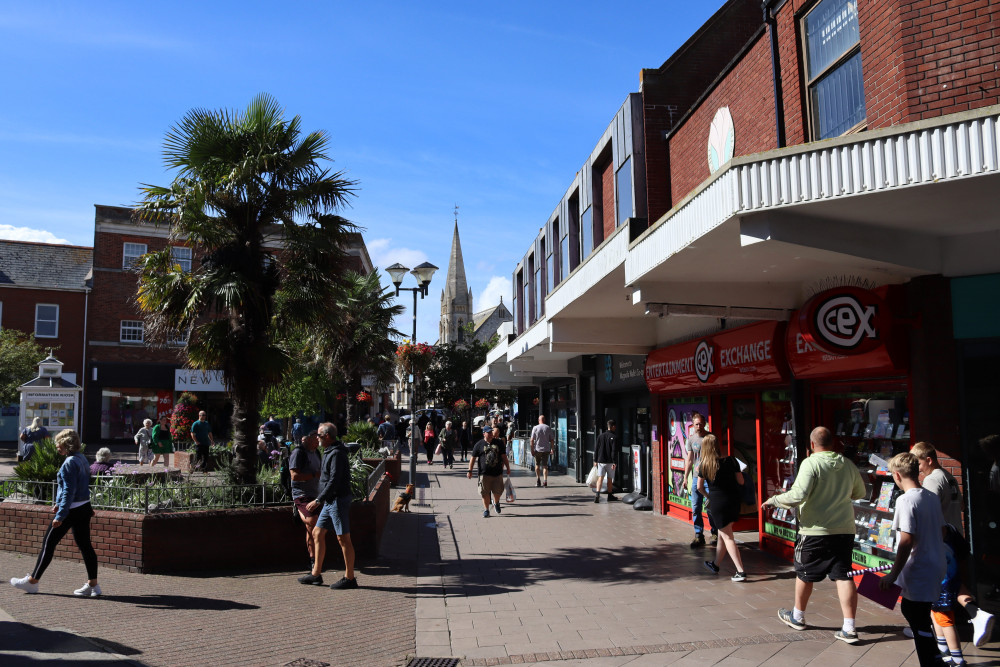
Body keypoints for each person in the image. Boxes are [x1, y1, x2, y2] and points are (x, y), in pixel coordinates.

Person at [762, 426, 867, 643]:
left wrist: (773, 500)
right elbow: (860, 493)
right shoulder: (847, 464)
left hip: (814, 531)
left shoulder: (810, 463)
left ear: (812, 445)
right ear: (833, 443)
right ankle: (849, 628)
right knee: (843, 575)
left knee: (804, 573)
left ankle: (798, 616)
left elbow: (798, 495)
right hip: (843, 530)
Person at [10, 429, 102, 597]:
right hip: (83, 508)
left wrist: (60, 515)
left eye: (58, 443)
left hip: (71, 510)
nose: (56, 447)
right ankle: (93, 586)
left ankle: (32, 582)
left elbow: (69, 491)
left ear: (65, 445)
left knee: (48, 544)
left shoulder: (69, 463)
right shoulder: (81, 458)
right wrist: (60, 504)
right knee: (85, 546)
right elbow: (81, 486)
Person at [878, 452, 946, 666]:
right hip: (936, 564)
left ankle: (932, 662)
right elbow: (942, 531)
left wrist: (893, 575)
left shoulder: (905, 500)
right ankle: (936, 660)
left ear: (897, 475)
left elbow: (906, 541)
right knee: (922, 617)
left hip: (919, 568)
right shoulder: (931, 497)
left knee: (917, 618)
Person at [298, 423, 357, 590]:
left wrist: (318, 500)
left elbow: (334, 480)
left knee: (343, 538)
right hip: (330, 500)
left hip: (337, 500)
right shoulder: (330, 451)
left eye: (319, 435)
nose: (317, 438)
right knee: (317, 532)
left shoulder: (337, 453)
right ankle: (316, 574)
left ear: (328, 437)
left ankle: (350, 578)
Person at [697, 434, 747, 581]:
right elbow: (741, 481)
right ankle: (716, 564)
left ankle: (740, 571)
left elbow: (699, 487)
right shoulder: (731, 460)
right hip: (733, 501)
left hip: (717, 503)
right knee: (722, 534)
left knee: (728, 537)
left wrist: (708, 496)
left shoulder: (704, 465)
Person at [683, 412, 718, 547]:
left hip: (710, 478)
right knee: (696, 507)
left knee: (710, 506)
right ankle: (699, 535)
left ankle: (714, 533)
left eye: (701, 423)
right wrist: (685, 478)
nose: (699, 426)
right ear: (693, 425)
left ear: (705, 424)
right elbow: (690, 459)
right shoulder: (691, 440)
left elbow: (717, 456)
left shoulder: (711, 438)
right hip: (697, 477)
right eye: (697, 424)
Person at [290, 431, 322, 570]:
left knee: (311, 528)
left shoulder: (317, 453)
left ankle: (313, 559)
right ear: (308, 439)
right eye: (316, 440)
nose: (318, 443)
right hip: (302, 494)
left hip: (316, 494)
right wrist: (314, 475)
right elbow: (294, 476)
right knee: (312, 521)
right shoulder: (298, 453)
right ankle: (298, 510)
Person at [468, 427, 511, 518]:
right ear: (484, 433)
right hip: (484, 474)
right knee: (485, 493)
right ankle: (486, 510)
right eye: (488, 433)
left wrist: (508, 467)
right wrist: (470, 470)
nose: (491, 434)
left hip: (497, 473)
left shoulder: (498, 443)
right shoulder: (479, 444)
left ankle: (496, 502)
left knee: (498, 492)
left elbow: (504, 456)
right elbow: (473, 458)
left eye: (491, 432)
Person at [593, 420, 619, 503]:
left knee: (600, 478)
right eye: (615, 426)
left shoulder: (600, 436)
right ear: (612, 426)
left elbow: (596, 449)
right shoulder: (614, 437)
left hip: (601, 461)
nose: (615, 428)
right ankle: (610, 495)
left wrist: (595, 460)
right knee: (609, 479)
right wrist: (615, 462)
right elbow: (614, 451)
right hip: (610, 462)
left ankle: (597, 494)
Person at [531, 415, 556, 488]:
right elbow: (552, 439)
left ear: (539, 420)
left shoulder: (535, 428)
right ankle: (545, 481)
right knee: (545, 466)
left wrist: (532, 449)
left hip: (537, 449)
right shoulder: (548, 428)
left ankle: (538, 480)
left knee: (537, 465)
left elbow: (532, 440)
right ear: (544, 420)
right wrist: (552, 448)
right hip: (546, 449)